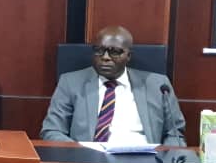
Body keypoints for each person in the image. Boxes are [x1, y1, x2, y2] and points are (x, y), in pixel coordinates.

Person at [40, 25, 185, 145]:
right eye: (99, 51)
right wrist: (80, 153)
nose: (105, 58)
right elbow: (52, 131)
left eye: (115, 52)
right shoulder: (71, 82)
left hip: (144, 161)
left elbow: (175, 133)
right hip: (88, 161)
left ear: (128, 56)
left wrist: (165, 159)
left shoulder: (158, 85)